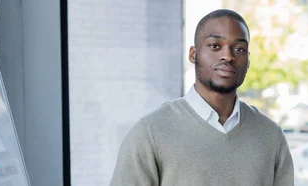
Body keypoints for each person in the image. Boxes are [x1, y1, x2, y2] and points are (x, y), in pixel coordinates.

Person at [110, 9, 294, 186]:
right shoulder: (150, 133)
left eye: (239, 49)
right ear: (193, 54)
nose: (228, 56)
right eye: (215, 46)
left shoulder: (271, 136)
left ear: (248, 61)